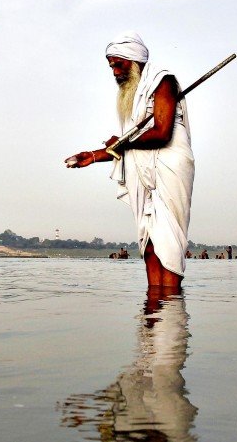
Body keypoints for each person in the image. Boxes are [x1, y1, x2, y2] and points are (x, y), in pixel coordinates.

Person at [65, 32, 195, 290]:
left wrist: (123, 142)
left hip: (169, 169)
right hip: (144, 173)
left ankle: (169, 317)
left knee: (166, 245)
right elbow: (130, 146)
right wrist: (91, 156)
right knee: (148, 246)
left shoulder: (162, 81)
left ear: (135, 60)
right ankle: (154, 311)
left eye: (119, 64)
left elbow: (160, 133)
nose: (114, 72)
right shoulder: (134, 95)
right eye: (111, 66)